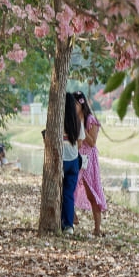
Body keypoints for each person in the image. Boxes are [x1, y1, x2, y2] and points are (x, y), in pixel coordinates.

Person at [72, 92, 107, 237]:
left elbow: (92, 142)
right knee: (70, 187)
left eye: (75, 105)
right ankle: (72, 217)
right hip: (76, 156)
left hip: (89, 160)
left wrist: (81, 127)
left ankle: (97, 229)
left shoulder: (91, 120)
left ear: (81, 104)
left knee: (92, 193)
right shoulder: (73, 119)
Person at [61, 91, 83, 233]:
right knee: (68, 194)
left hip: (62, 160)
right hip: (74, 161)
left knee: (59, 192)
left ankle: (60, 221)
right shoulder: (78, 121)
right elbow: (80, 143)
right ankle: (68, 225)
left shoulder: (58, 120)